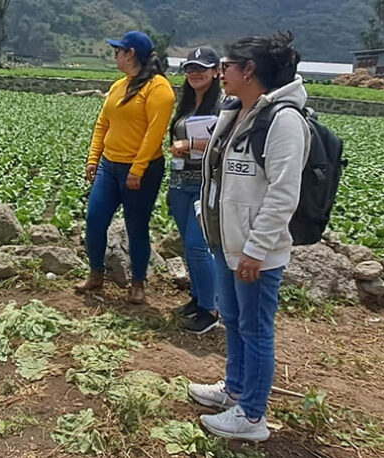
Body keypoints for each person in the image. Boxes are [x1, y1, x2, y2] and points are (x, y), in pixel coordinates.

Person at [189, 32, 310, 442]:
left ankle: (253, 415)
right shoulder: (235, 111)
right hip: (227, 242)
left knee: (256, 329)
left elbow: (283, 193)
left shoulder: (283, 121)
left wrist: (257, 250)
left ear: (250, 70)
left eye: (227, 65)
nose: (221, 72)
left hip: (254, 250)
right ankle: (235, 389)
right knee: (234, 320)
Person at [77, 31, 174, 304]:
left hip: (142, 170)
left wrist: (137, 169)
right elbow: (103, 124)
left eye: (118, 51)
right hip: (110, 166)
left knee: (136, 226)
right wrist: (93, 158)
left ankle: (138, 283)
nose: (115, 55)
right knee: (95, 219)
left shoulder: (159, 88)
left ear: (130, 54)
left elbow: (154, 134)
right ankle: (96, 274)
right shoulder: (119, 86)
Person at [167, 46, 223, 333]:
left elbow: (227, 142)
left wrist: (190, 145)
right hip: (180, 182)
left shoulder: (225, 106)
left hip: (206, 183)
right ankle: (199, 298)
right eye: (190, 68)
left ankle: (212, 309)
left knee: (198, 245)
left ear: (216, 72)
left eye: (201, 68)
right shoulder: (186, 104)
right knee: (189, 246)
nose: (194, 73)